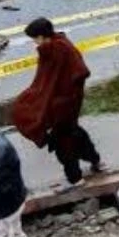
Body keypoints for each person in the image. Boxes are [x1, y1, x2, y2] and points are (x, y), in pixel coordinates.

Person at [12, 18, 103, 189]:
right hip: (66, 104)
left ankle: (75, 178)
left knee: (63, 142)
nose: (35, 43)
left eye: (35, 39)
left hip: (63, 105)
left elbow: (77, 73)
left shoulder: (57, 50)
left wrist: (60, 100)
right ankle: (95, 160)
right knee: (75, 133)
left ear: (41, 36)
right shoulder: (60, 44)